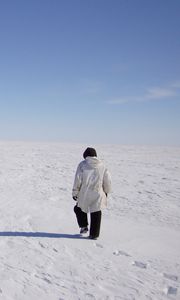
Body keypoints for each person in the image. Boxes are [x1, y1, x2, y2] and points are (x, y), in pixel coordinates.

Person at [72, 147, 111, 240]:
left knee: (79, 208)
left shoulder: (82, 165)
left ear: (85, 156)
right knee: (96, 211)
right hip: (98, 192)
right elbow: (108, 180)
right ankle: (94, 234)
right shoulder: (102, 165)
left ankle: (84, 226)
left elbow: (77, 180)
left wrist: (75, 192)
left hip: (84, 193)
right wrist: (106, 191)